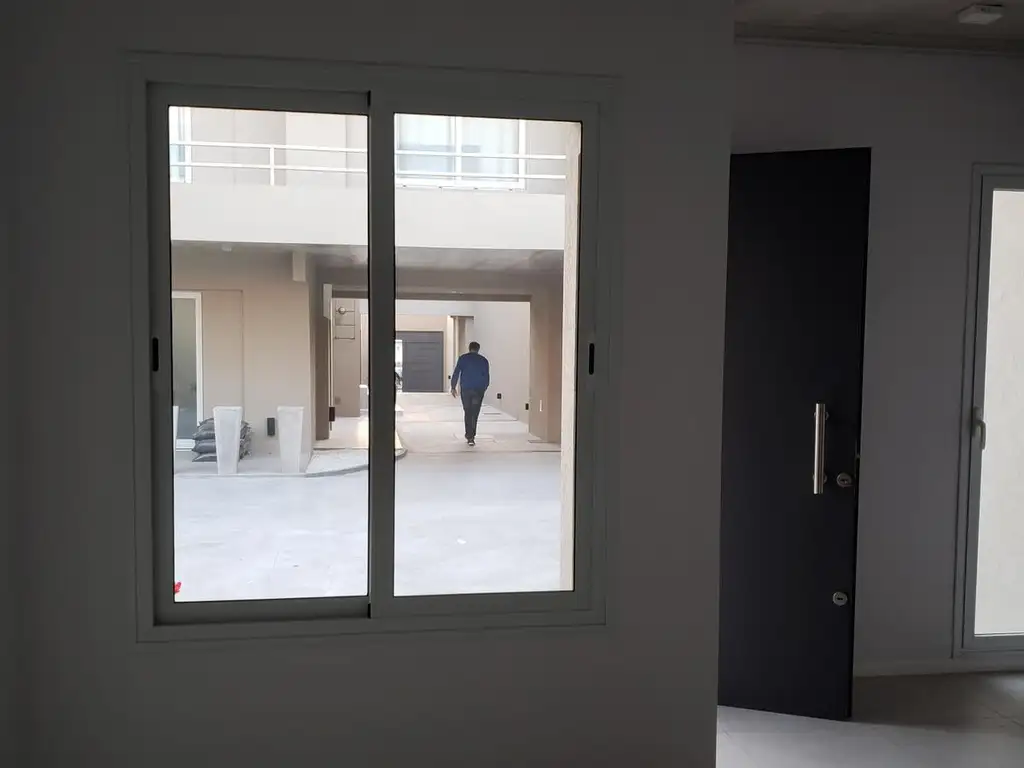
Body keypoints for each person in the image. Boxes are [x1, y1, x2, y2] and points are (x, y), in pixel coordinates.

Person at [450, 341, 490, 446]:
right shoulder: (484, 360)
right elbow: (487, 376)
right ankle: (472, 437)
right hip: (478, 389)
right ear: (478, 349)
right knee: (474, 413)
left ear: (469, 348)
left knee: (467, 412)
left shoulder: (463, 358)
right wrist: (484, 387)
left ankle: (469, 435)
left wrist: (453, 387)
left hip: (466, 389)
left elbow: (456, 372)